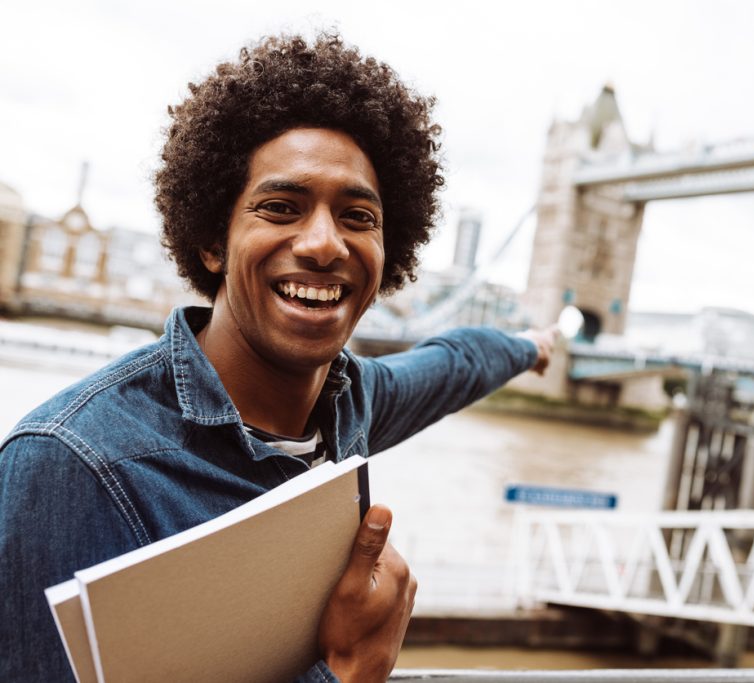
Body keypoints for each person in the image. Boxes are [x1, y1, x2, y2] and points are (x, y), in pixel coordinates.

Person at [0, 33, 554, 682]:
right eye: (281, 208)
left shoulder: (354, 401)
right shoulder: (65, 466)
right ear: (212, 238)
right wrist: (349, 671)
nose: (324, 243)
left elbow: (458, 361)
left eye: (357, 215)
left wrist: (530, 347)